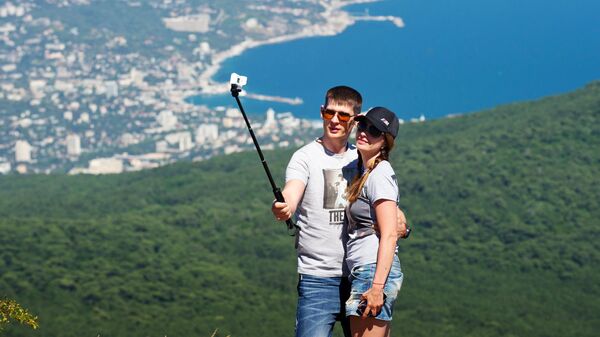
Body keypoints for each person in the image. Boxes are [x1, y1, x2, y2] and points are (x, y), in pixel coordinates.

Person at [271, 87, 408, 337]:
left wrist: (403, 225)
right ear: (322, 112)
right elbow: (292, 190)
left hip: (360, 275)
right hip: (318, 277)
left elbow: (388, 211)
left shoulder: (367, 158)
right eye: (329, 113)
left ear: (354, 120)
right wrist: (284, 206)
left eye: (343, 116)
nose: (334, 120)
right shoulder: (305, 157)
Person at [344, 107, 403, 337]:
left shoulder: (380, 175)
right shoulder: (366, 171)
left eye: (374, 130)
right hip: (366, 271)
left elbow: (389, 234)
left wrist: (377, 288)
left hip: (372, 275)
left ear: (385, 142)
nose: (364, 132)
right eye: (362, 126)